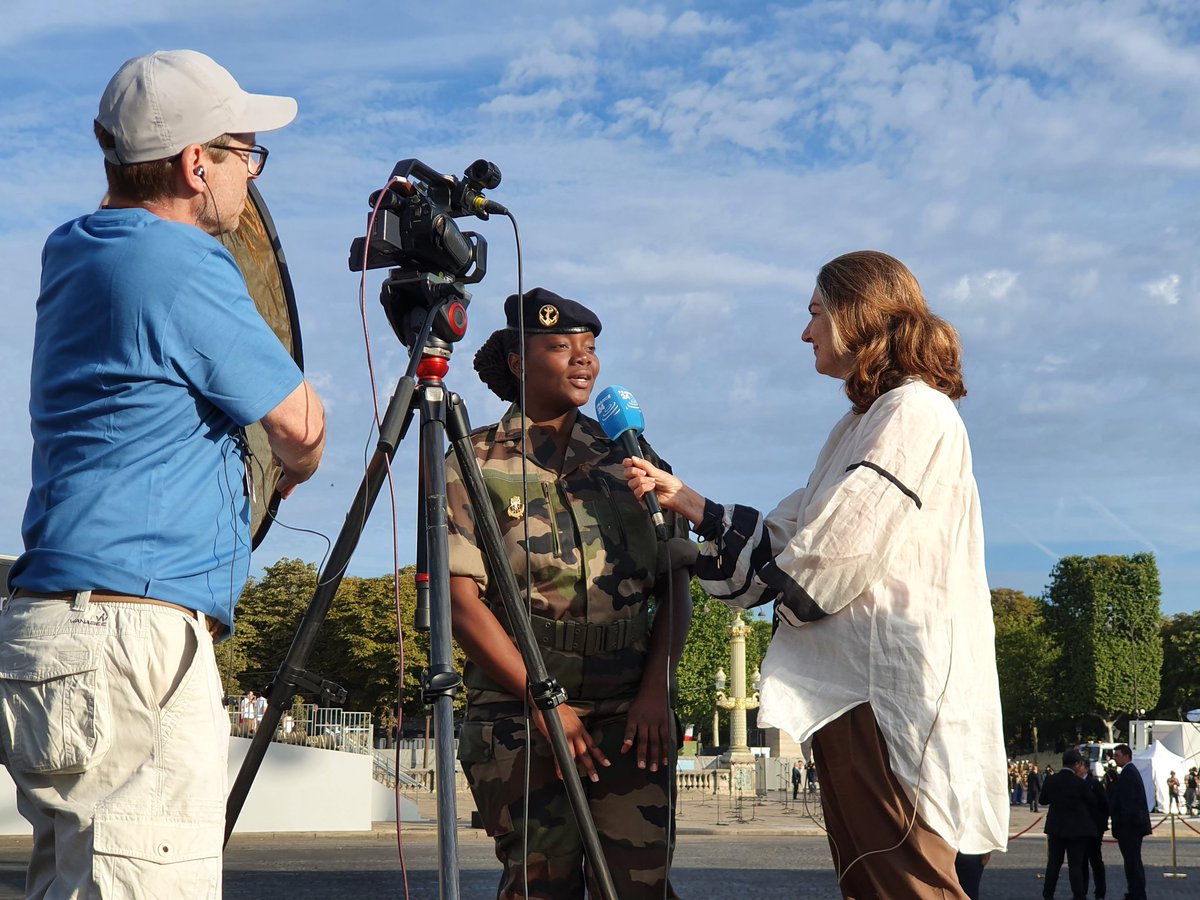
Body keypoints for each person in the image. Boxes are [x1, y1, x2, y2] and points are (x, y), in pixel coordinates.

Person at [0, 50, 324, 897]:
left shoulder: (74, 250)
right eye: (245, 153)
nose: (251, 175)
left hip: (57, 628)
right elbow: (301, 428)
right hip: (129, 634)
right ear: (194, 164)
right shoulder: (178, 260)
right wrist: (284, 469)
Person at [625, 251, 1009, 897]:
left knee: (906, 884)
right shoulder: (862, 423)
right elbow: (797, 536)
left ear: (857, 315)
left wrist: (715, 548)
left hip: (887, 699)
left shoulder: (913, 411)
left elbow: (826, 563)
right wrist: (687, 503)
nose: (806, 332)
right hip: (862, 694)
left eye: (815, 313)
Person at [447, 289, 696, 899]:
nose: (583, 358)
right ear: (518, 362)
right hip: (518, 713)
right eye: (561, 346)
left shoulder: (632, 458)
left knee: (639, 887)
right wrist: (542, 698)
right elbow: (459, 604)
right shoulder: (471, 460)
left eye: (589, 347)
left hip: (630, 714)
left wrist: (657, 691)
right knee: (541, 885)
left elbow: (676, 581)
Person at [1039, 748, 1099, 900]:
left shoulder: (1051, 780)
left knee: (1053, 864)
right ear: (1077, 764)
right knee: (1075, 865)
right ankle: (1079, 895)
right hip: (1076, 828)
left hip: (1056, 827)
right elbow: (1092, 801)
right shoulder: (1079, 783)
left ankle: (1048, 894)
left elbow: (1043, 800)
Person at [1108, 744, 1151, 900]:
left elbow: (1127, 803)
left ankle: (1137, 893)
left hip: (1131, 827)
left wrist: (1123, 824)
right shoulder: (1129, 772)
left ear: (1126, 756)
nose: (1114, 758)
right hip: (1133, 826)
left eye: (1117, 755)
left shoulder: (1128, 773)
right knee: (1132, 861)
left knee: (1133, 861)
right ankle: (1134, 891)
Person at [1082, 764, 1110, 900]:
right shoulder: (1077, 782)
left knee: (1095, 860)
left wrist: (1101, 823)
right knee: (1081, 862)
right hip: (1081, 828)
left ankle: (1100, 891)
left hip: (1094, 828)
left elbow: (1104, 804)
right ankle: (1082, 891)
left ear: (1086, 769)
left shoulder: (1095, 784)